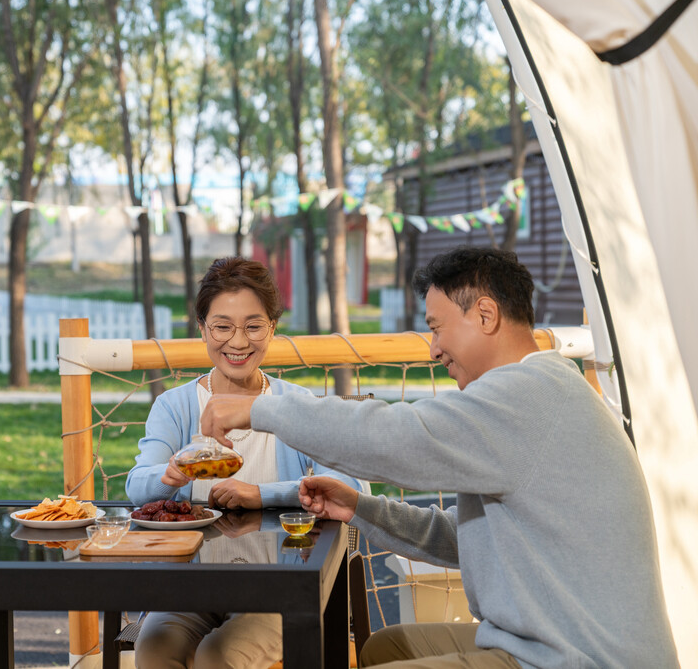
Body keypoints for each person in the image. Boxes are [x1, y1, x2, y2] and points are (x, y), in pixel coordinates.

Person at [202, 247, 679, 668]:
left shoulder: (526, 397)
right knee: (380, 649)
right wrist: (361, 508)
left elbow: (395, 437)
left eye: (436, 328)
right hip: (541, 639)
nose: (433, 350)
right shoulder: (539, 388)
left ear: (486, 316)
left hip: (577, 657)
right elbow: (463, 539)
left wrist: (260, 409)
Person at [126, 256, 367, 669]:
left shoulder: (294, 405)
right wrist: (171, 474)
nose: (238, 342)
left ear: (272, 328)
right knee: (153, 649)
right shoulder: (175, 406)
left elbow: (351, 486)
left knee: (216, 657)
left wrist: (260, 495)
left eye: (254, 326)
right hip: (191, 589)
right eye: (222, 326)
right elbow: (137, 486)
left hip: (280, 589)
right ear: (201, 328)